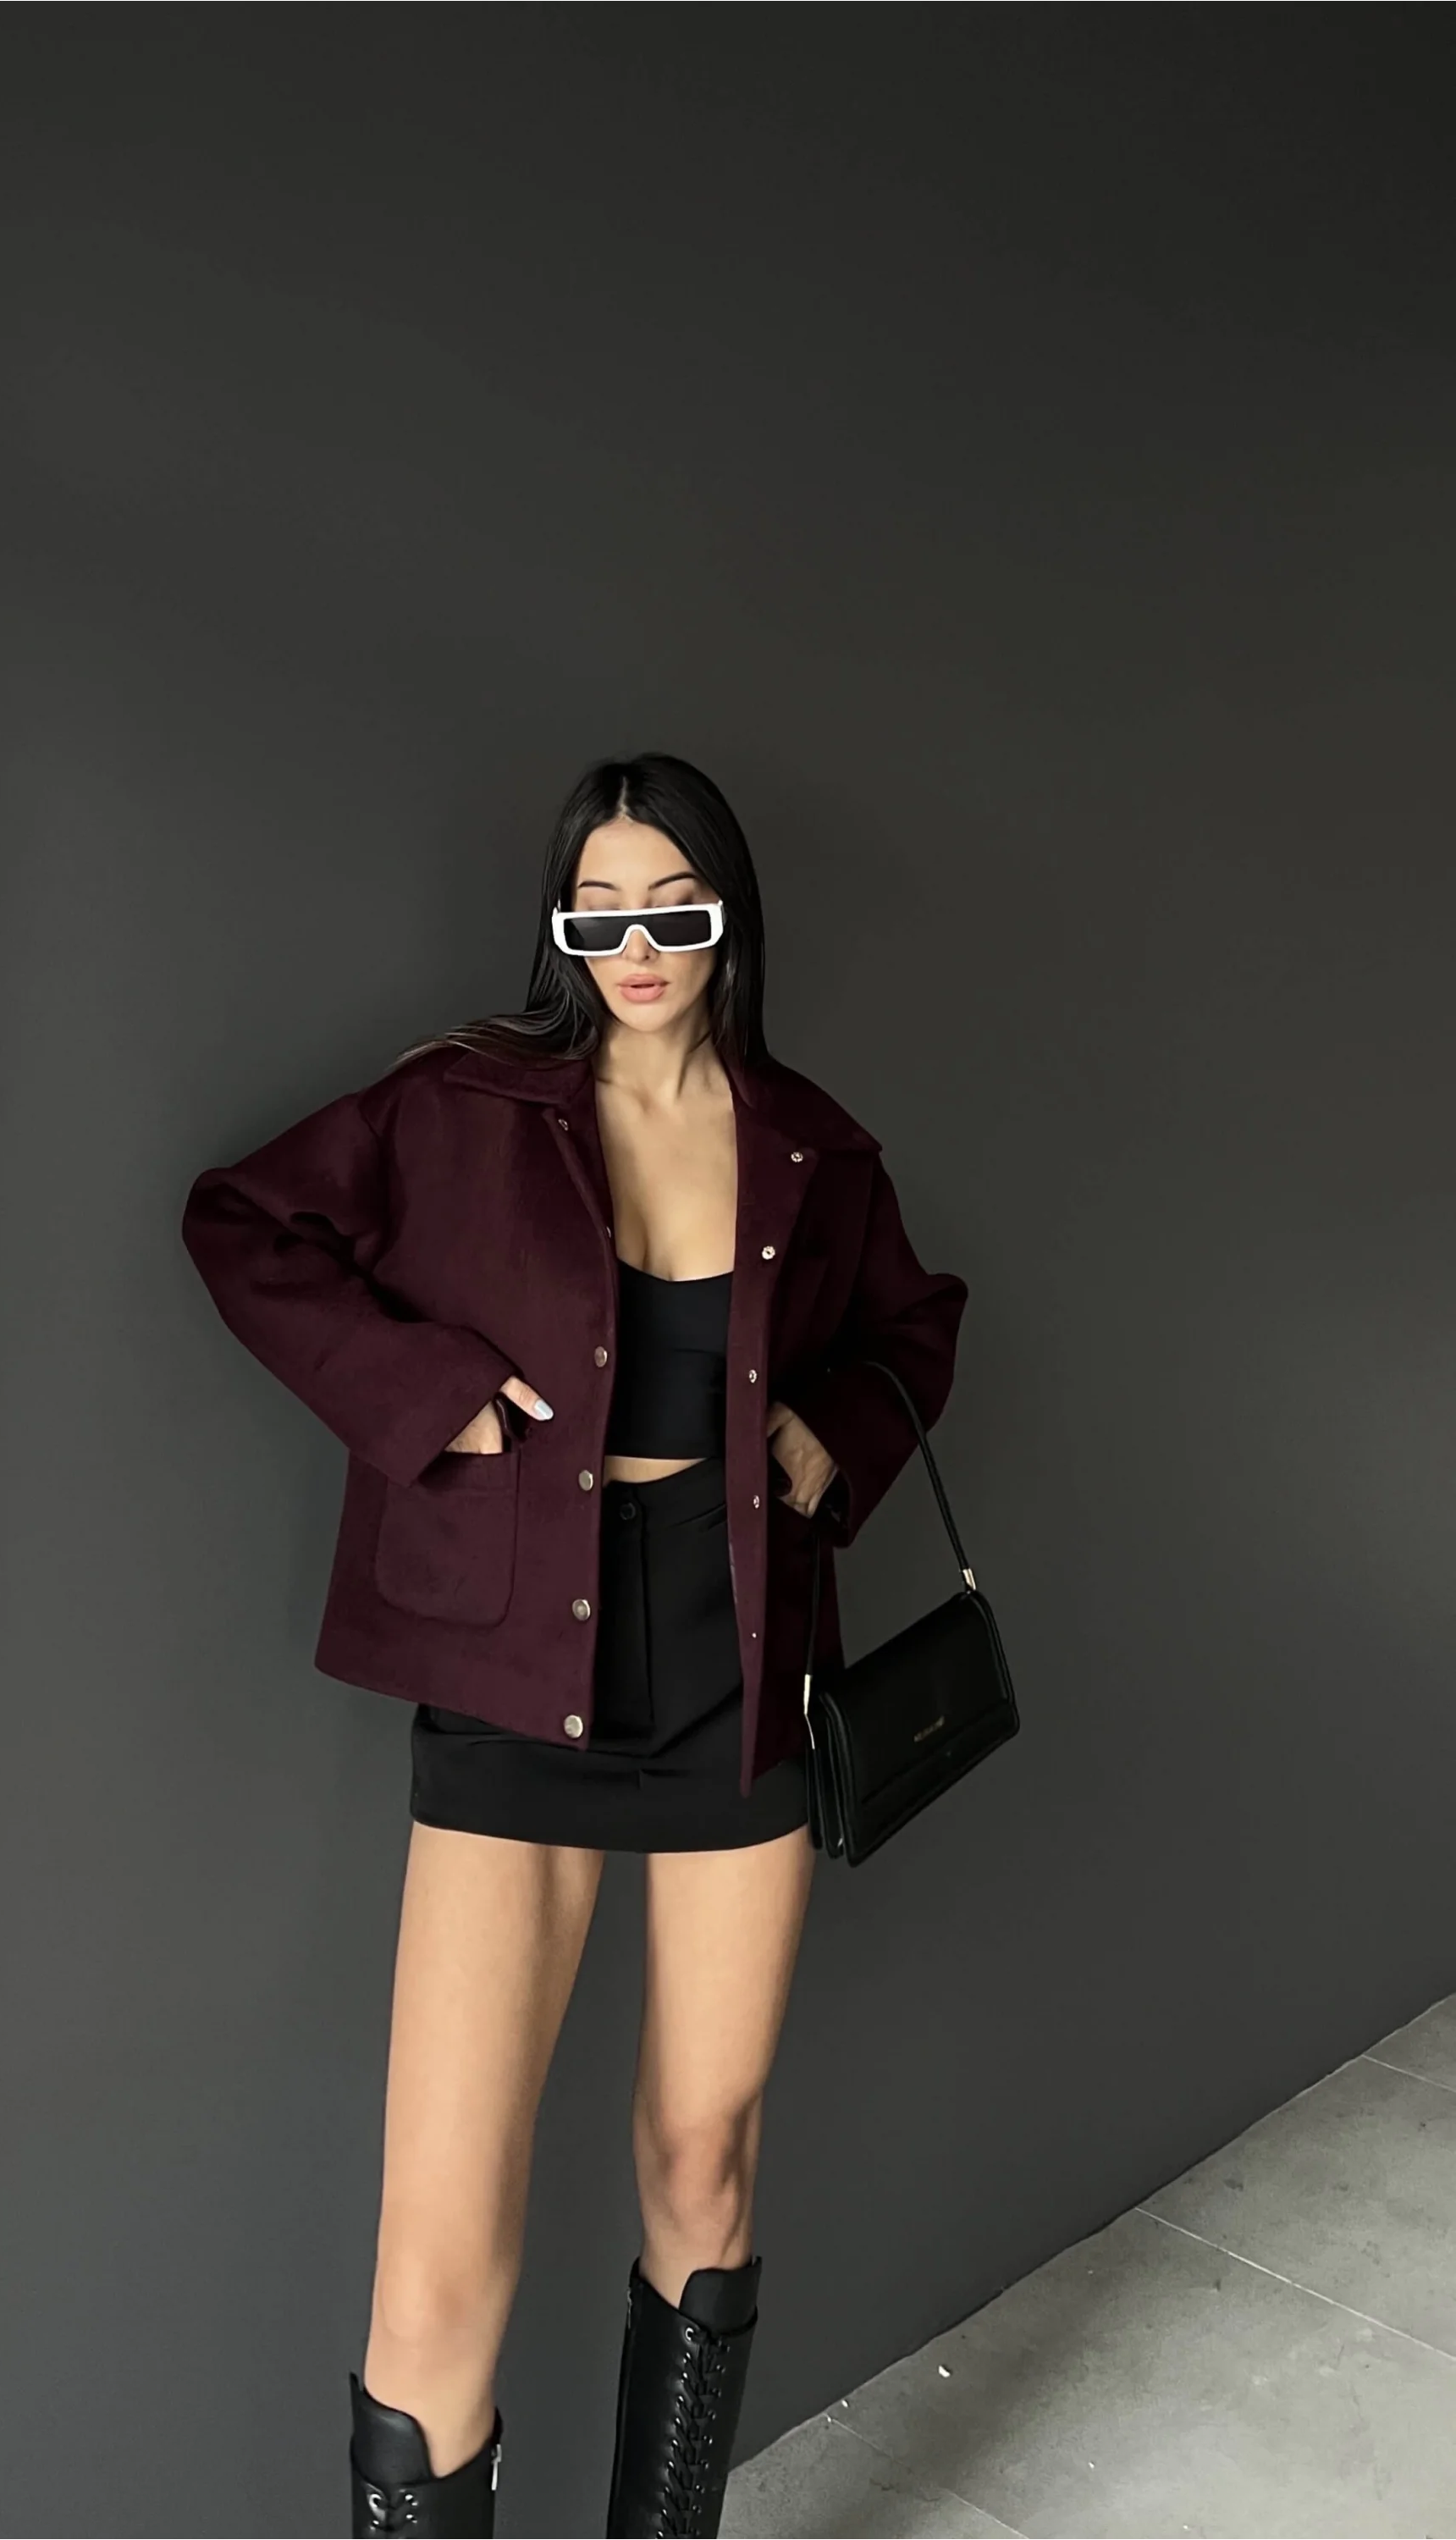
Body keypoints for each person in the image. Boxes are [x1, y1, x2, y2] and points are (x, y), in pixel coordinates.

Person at [180, 752, 968, 2538]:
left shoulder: (812, 1147)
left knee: (704, 2159)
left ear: (728, 920)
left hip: (735, 1666)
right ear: (561, 927)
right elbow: (242, 1221)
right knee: (437, 2255)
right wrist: (424, 1395)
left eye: (672, 911)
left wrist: (835, 1428)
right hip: (514, 1675)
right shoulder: (459, 1106)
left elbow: (915, 1325)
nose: (637, 949)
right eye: (598, 914)